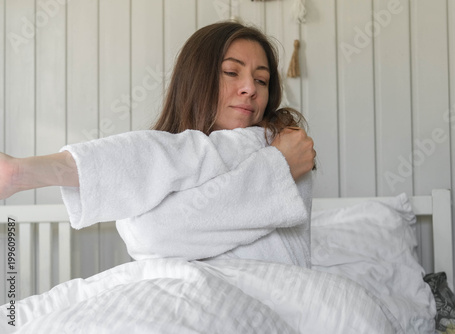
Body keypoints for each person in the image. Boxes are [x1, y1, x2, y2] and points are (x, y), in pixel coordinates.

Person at [0, 22, 316, 267]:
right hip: (191, 290)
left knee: (186, 153)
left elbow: (153, 234)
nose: (250, 88)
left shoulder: (287, 144)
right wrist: (277, 168)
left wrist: (281, 165)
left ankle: (41, 170)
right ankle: (35, 170)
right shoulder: (176, 153)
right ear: (197, 79)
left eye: (261, 79)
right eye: (232, 72)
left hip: (269, 288)